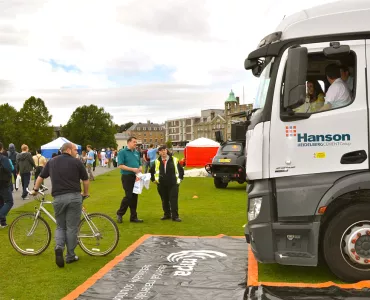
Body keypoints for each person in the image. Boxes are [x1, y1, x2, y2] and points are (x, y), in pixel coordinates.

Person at [31, 142, 89, 268]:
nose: (76, 152)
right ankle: (70, 255)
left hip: (58, 198)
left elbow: (41, 177)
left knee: (60, 226)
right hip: (74, 197)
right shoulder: (77, 162)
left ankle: (59, 247)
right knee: (72, 227)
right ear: (68, 150)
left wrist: (35, 190)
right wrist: (85, 193)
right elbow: (85, 180)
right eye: (75, 150)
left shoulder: (52, 161)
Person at [150, 145, 184, 222]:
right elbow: (151, 171)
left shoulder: (174, 160)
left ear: (167, 151)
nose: (163, 152)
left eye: (164, 150)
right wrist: (153, 180)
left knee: (173, 200)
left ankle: (175, 216)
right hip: (161, 184)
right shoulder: (156, 161)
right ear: (159, 152)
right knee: (164, 200)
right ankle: (167, 214)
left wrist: (180, 179)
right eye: (161, 151)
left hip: (173, 183)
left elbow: (181, 170)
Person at [116, 137, 143, 224]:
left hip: (136, 177)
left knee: (135, 197)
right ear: (129, 142)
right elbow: (120, 165)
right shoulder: (122, 152)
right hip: (127, 176)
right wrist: (132, 169)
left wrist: (140, 168)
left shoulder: (136, 152)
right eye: (134, 142)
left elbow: (139, 163)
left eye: (136, 142)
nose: (135, 144)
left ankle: (133, 217)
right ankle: (120, 213)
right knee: (128, 196)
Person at [0, 143, 14, 228]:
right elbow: (9, 169)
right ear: (1, 148)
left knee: (1, 202)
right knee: (9, 202)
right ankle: (1, 217)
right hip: (3, 183)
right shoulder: (3, 158)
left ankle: (3, 223)